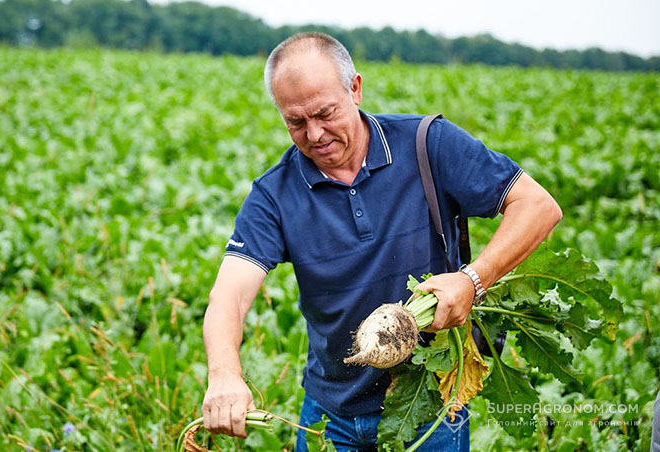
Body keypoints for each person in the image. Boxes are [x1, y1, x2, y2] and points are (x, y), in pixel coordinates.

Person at [200, 32, 562, 451]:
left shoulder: (427, 144)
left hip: (429, 407)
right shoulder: (275, 194)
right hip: (329, 413)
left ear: (354, 88)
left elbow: (537, 206)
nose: (314, 134)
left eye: (324, 113)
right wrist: (224, 373)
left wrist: (472, 280)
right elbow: (229, 296)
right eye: (295, 122)